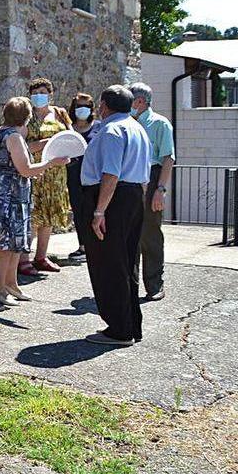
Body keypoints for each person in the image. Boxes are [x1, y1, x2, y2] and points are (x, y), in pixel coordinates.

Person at [0, 97, 68, 305]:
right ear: (26, 117)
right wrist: (51, 163)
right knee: (6, 244)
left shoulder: (1, 132)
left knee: (16, 242)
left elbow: (15, 166)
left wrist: (31, 172)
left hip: (10, 191)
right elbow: (24, 169)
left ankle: (11, 284)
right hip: (8, 195)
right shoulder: (14, 137)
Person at [80, 85, 152, 345]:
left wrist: (100, 210)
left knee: (109, 263)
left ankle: (119, 329)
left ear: (104, 105)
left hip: (112, 198)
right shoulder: (137, 128)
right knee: (127, 262)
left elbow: (111, 173)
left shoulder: (112, 130)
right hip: (132, 197)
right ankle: (131, 324)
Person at [20, 77, 73, 276]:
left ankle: (41, 257)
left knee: (49, 215)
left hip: (57, 173)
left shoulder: (60, 113)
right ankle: (23, 258)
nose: (38, 96)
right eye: (34, 93)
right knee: (33, 216)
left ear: (50, 95)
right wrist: (44, 144)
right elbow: (20, 145)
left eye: (42, 93)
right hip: (34, 170)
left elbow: (71, 137)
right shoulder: (25, 115)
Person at [129, 82, 174, 301]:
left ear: (139, 101)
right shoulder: (127, 123)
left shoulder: (160, 124)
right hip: (130, 179)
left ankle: (155, 284)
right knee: (130, 235)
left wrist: (160, 189)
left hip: (151, 176)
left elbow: (168, 158)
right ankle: (130, 284)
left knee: (151, 235)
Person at [64, 92, 104, 261]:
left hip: (94, 178)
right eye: (79, 106)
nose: (82, 110)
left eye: (86, 107)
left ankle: (97, 245)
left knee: (94, 211)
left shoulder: (99, 127)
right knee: (78, 211)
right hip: (73, 176)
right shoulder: (68, 128)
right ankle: (83, 246)